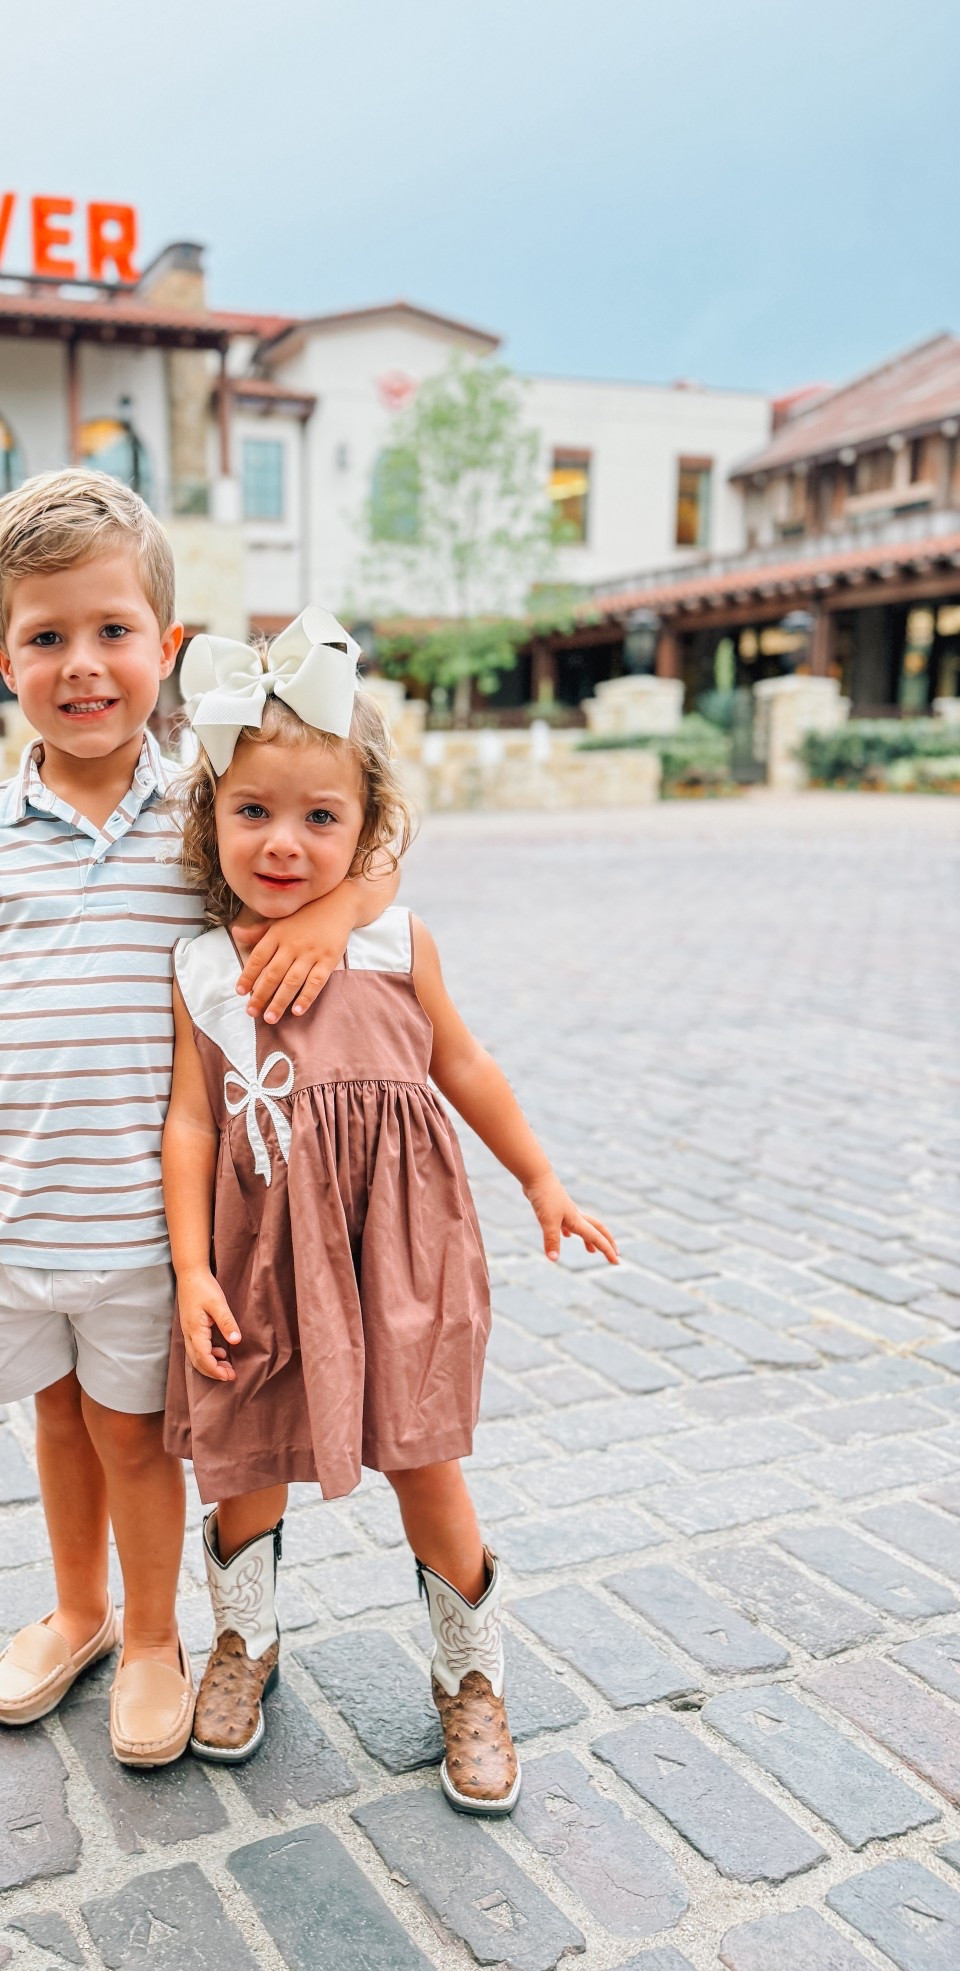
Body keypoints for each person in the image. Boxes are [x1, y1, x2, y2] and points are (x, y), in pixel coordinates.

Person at [0, 476, 398, 1768]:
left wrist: (333, 916)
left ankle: (160, 1636)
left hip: (146, 1211)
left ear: (165, 648)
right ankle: (77, 1610)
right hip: (13, 1198)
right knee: (53, 1418)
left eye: (112, 630)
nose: (82, 665)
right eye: (47, 638)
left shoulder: (207, 813)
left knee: (131, 1428)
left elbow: (362, 841)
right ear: (5, 658)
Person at [161, 610, 618, 1811]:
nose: (285, 840)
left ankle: (471, 1673)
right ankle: (242, 1641)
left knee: (426, 1458)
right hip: (261, 1249)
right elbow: (193, 1123)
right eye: (252, 810)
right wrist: (193, 1268)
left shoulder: (398, 938)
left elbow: (464, 1066)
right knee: (244, 1456)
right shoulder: (203, 967)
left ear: (369, 831)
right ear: (210, 817)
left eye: (322, 817)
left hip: (402, 1246)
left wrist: (541, 1178)